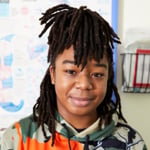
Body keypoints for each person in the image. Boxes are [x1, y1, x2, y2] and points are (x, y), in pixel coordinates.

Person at [0, 4, 147, 150]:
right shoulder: (17, 139)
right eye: (71, 72)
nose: (84, 84)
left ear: (107, 78)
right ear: (53, 74)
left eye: (97, 74)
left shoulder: (131, 144)